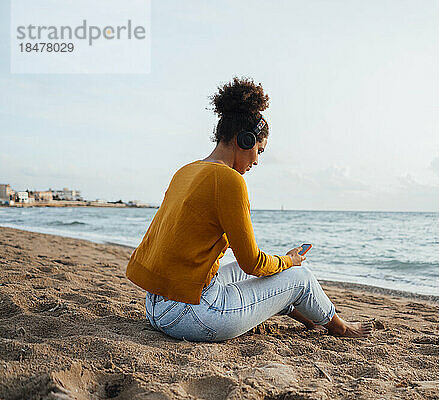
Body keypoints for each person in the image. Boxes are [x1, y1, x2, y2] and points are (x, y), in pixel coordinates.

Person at [126, 77, 373, 342]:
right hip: (194, 316)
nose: (256, 160)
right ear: (244, 140)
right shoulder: (230, 180)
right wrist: (290, 262)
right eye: (259, 150)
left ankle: (311, 319)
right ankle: (342, 328)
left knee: (265, 272)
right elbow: (253, 262)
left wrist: (281, 265)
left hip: (156, 307)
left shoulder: (186, 171)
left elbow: (240, 260)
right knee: (299, 276)